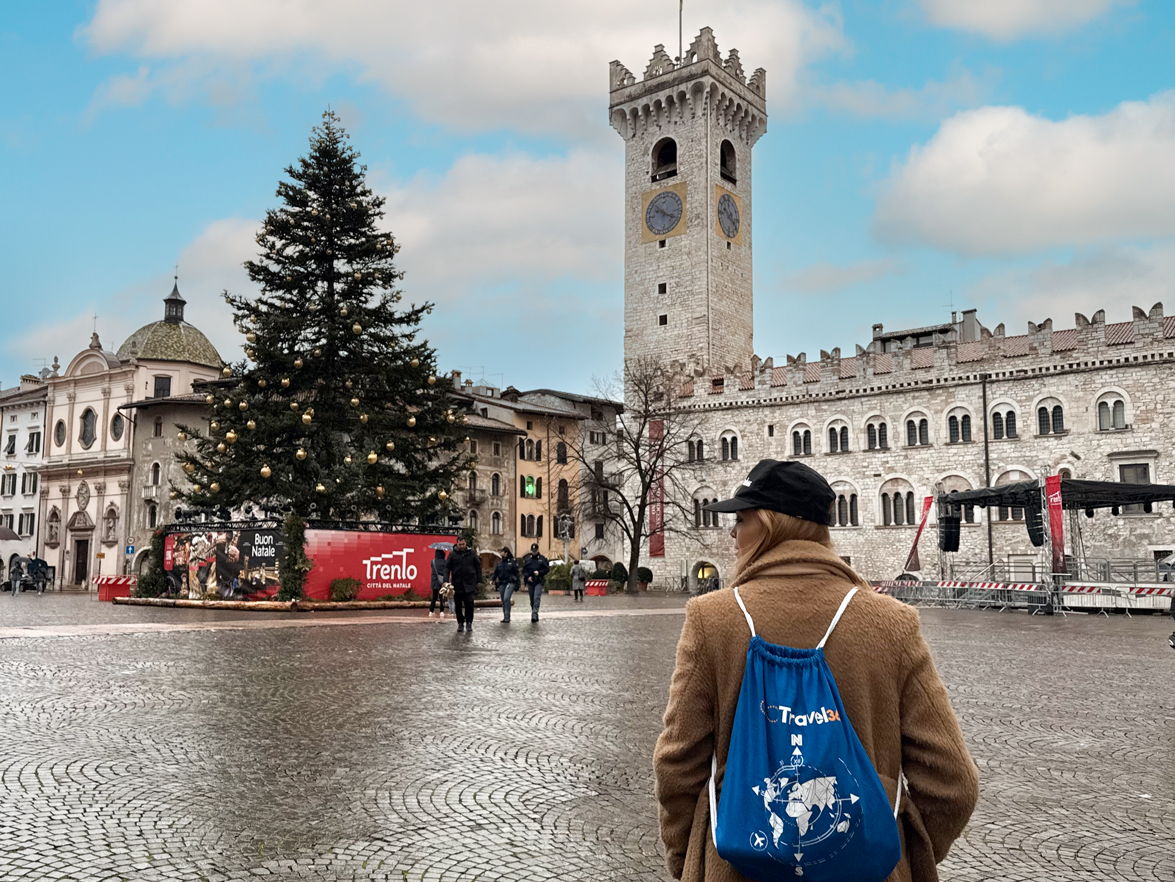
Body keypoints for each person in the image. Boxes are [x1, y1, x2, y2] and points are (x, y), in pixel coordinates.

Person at [653, 459, 978, 882]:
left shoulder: (712, 619)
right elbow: (954, 783)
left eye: (742, 518)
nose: (733, 533)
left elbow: (676, 766)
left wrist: (689, 860)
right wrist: (898, 852)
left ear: (770, 524)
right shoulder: (892, 623)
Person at [446, 538, 481, 633]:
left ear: (466, 544)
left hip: (469, 583)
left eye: (463, 544)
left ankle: (469, 622)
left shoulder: (472, 553)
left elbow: (478, 566)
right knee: (458, 605)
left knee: (469, 604)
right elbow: (447, 568)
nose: (462, 546)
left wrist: (479, 581)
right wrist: (446, 581)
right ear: (457, 544)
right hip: (457, 584)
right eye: (460, 544)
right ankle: (460, 623)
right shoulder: (452, 554)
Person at [520, 542, 550, 623]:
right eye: (532, 550)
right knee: (532, 599)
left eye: (535, 550)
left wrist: (539, 572)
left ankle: (534, 613)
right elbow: (524, 570)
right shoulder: (528, 559)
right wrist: (527, 577)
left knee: (536, 598)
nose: (534, 552)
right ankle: (535, 613)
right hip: (530, 581)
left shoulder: (542, 559)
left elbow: (547, 569)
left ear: (537, 550)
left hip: (538, 581)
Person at [492, 547, 520, 623]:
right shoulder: (500, 562)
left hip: (510, 582)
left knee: (506, 598)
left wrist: (518, 583)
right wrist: (492, 579)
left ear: (506, 553)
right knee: (503, 601)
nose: (501, 553)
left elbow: (517, 573)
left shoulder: (512, 562)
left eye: (502, 552)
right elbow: (496, 572)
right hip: (501, 583)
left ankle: (507, 616)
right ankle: (505, 616)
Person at [429, 549, 449, 618]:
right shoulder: (445, 562)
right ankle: (441, 611)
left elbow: (432, 567)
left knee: (434, 596)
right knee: (442, 597)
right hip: (442, 581)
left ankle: (431, 610)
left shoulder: (433, 561)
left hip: (434, 581)